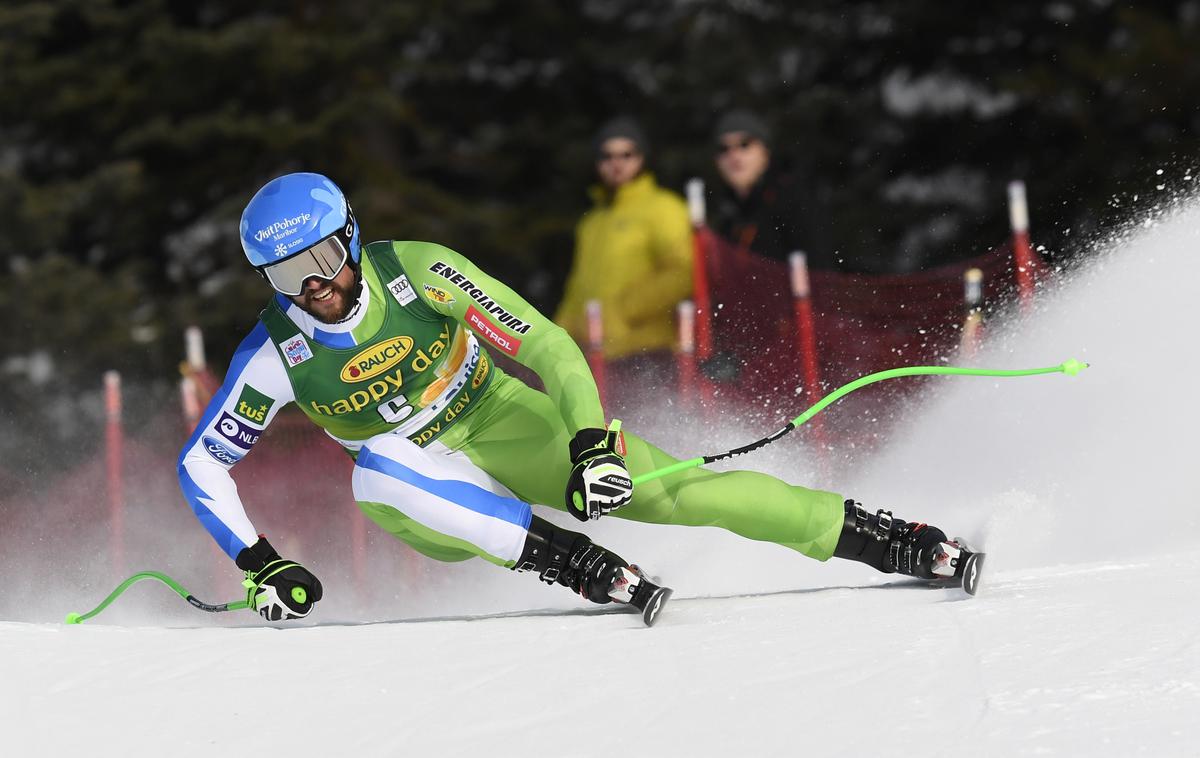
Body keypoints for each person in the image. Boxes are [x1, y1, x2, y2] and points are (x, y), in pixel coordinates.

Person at [178, 171, 972, 624]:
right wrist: (260, 563)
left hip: (498, 421)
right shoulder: (273, 353)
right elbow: (201, 467)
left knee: (676, 496)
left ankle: (883, 539)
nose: (311, 288)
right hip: (423, 493)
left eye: (319, 260)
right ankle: (577, 565)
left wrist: (591, 443)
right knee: (374, 472)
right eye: (286, 277)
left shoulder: (416, 270)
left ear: (349, 238)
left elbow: (547, 345)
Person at [552, 117, 692, 360]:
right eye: (607, 156)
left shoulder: (664, 208)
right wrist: (555, 338)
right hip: (598, 355)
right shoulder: (592, 222)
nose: (616, 163)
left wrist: (621, 313)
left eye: (626, 154)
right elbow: (577, 288)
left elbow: (683, 273)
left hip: (649, 350)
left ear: (642, 158)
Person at [708, 109, 834, 268]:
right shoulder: (728, 215)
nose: (734, 155)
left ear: (765, 151)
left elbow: (821, 271)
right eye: (723, 148)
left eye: (744, 144)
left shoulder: (793, 200)